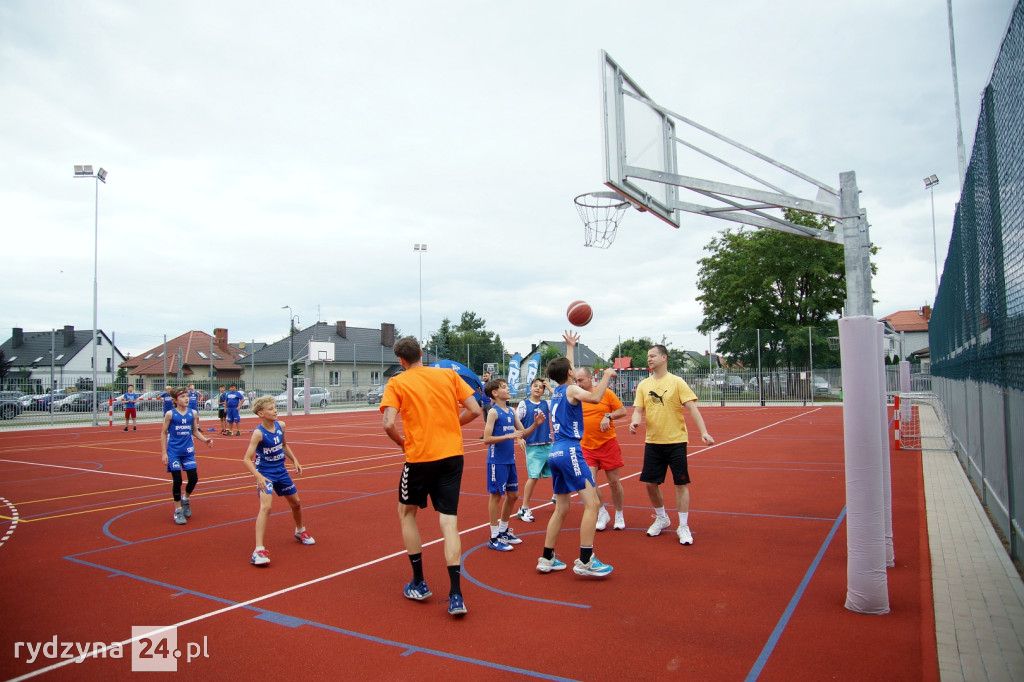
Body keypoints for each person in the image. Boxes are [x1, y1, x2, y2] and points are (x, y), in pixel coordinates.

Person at [381, 337, 483, 617]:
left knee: (406, 513)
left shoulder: (397, 383)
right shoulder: (448, 375)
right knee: (449, 521)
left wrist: (402, 443)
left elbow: (388, 423)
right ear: (422, 353)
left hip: (419, 457)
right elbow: (476, 409)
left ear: (401, 360)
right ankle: (456, 595)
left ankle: (419, 581)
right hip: (451, 455)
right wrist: (452, 424)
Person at [537, 332, 617, 578]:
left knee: (561, 508)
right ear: (570, 373)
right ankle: (585, 560)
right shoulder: (572, 389)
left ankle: (547, 558)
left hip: (555, 452)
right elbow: (595, 397)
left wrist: (570, 347)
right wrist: (606, 376)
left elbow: (566, 369)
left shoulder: (557, 391)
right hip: (571, 450)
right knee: (592, 504)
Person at [628, 344, 714, 545]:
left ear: (664, 357)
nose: (649, 359)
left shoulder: (677, 382)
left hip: (676, 441)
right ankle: (661, 517)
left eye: (653, 355)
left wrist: (704, 432)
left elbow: (692, 408)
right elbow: (638, 410)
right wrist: (634, 421)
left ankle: (683, 525)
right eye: (648, 356)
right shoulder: (643, 385)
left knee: (680, 483)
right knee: (650, 484)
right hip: (653, 442)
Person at [243, 396, 315, 567]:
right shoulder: (258, 433)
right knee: (266, 507)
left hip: (281, 472)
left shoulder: (281, 426)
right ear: (261, 413)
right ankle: (258, 550)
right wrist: (258, 476)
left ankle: (300, 531)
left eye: (275, 407)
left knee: (296, 503)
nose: (275, 410)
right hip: (265, 474)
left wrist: (295, 460)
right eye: (270, 408)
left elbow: (283, 445)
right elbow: (246, 459)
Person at [482, 377, 545, 551]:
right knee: (496, 496)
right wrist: (509, 436)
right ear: (495, 393)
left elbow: (522, 433)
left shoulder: (511, 411)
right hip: (497, 461)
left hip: (510, 460)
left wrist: (535, 424)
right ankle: (493, 537)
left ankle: (503, 531)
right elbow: (486, 439)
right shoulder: (493, 412)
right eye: (504, 387)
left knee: (513, 495)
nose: (508, 389)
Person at [576, 367, 628, 531]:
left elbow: (622, 411)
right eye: (576, 381)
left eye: (581, 380)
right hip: (586, 446)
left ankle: (619, 513)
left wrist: (608, 416)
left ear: (590, 378)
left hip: (607, 444)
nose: (578, 383)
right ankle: (602, 512)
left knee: (614, 482)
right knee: (589, 483)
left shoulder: (606, 393)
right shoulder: (578, 397)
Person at [161, 387, 213, 525]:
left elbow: (194, 431)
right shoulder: (170, 414)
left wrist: (205, 440)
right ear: (175, 400)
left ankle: (186, 499)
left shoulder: (193, 413)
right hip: (174, 452)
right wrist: (164, 452)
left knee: (194, 479)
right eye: (182, 396)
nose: (186, 398)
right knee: (177, 480)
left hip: (188, 452)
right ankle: (178, 510)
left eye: (187, 396)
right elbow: (164, 433)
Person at [514, 377, 552, 523]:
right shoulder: (524, 404)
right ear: (530, 388)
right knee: (534, 477)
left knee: (559, 469)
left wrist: (550, 387)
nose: (538, 388)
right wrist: (518, 438)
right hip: (533, 446)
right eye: (535, 386)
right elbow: (515, 422)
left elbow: (561, 401)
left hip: (548, 444)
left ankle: (557, 495)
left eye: (541, 387)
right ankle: (524, 508)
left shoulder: (547, 404)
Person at [478, 370, 492, 439]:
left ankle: (492, 434)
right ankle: (486, 434)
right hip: (484, 404)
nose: (484, 377)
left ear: (490, 376)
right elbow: (483, 394)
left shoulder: (491, 385)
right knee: (486, 421)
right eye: (484, 376)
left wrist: (492, 402)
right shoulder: (483, 385)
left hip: (489, 404)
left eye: (486, 376)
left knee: (490, 421)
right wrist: (479, 391)